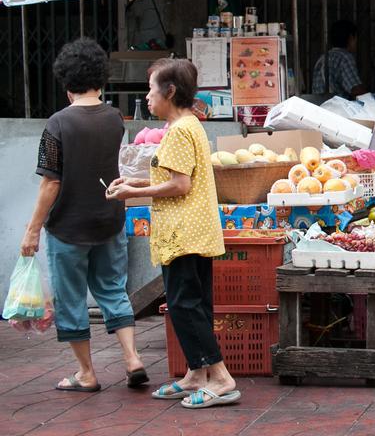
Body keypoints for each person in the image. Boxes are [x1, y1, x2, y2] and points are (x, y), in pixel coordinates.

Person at [108, 58, 240, 408]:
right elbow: (181, 177)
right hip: (193, 230)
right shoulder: (188, 124)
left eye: (151, 90)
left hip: (184, 232)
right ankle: (197, 373)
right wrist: (136, 181)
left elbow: (180, 185)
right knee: (194, 304)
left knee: (184, 305)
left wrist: (131, 194)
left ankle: (222, 378)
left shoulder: (180, 129)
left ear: (169, 91)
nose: (147, 98)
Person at [21, 38, 147, 393]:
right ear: (101, 79)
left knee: (71, 298)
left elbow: (50, 183)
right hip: (109, 220)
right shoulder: (113, 119)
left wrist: (32, 230)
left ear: (66, 83)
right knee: (113, 290)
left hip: (68, 227)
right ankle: (132, 358)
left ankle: (86, 373)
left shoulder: (57, 124)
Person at [311, 20, 368, 99]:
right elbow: (356, 90)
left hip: (319, 106)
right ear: (351, 38)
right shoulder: (345, 58)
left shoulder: (323, 58)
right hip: (336, 108)